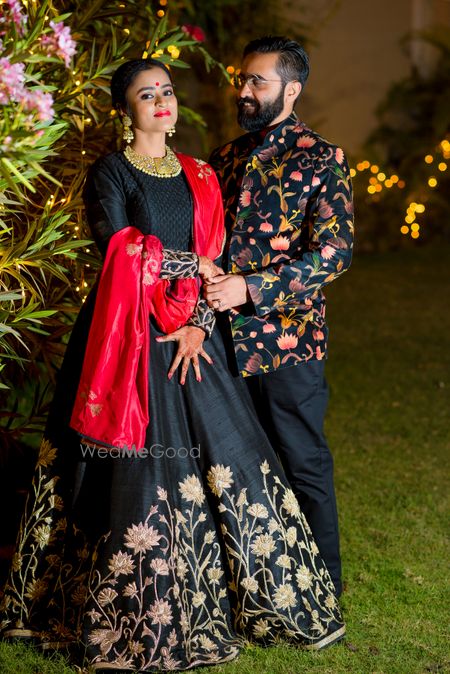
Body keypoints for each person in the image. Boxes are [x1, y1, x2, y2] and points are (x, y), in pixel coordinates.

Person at [0, 58, 345, 672]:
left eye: (166, 91)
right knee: (120, 467)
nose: (161, 101)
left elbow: (213, 251)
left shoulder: (201, 172)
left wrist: (196, 322)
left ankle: (275, 597)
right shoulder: (109, 171)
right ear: (124, 108)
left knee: (236, 458)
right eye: (145, 94)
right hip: (125, 335)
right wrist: (194, 274)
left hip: (193, 334)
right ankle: (114, 606)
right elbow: (120, 250)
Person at [206, 36, 354, 598]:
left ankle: (323, 590)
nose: (244, 91)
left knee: (301, 460)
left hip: (288, 344)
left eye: (257, 82)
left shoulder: (322, 157)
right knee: (233, 465)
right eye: (242, 80)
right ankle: (254, 585)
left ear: (291, 90)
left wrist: (252, 287)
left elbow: (334, 254)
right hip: (220, 343)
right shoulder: (225, 159)